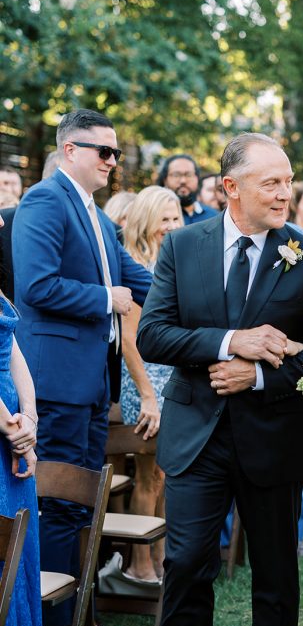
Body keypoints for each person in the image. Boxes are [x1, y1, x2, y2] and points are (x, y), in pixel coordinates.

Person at [136, 132, 303, 626]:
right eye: (270, 183)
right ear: (231, 189)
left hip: (273, 441)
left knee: (276, 580)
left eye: (288, 181)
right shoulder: (183, 244)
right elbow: (153, 333)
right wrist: (232, 342)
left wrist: (258, 376)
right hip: (198, 438)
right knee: (188, 568)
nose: (285, 193)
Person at [12, 108, 152, 626]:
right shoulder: (46, 201)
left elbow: (138, 277)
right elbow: (37, 285)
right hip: (56, 383)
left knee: (86, 504)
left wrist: (196, 289)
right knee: (60, 507)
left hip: (93, 384)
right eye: (104, 152)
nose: (113, 163)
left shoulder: (95, 215)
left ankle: (82, 623)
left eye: (116, 153)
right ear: (71, 150)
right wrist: (105, 300)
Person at [119, 186, 183, 583]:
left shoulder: (172, 262)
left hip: (173, 378)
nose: (173, 226)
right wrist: (148, 397)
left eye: (176, 218)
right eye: (165, 219)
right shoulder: (133, 265)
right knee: (149, 476)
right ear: (146, 221)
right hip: (143, 382)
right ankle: (139, 564)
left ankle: (161, 559)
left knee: (167, 475)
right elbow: (129, 339)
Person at [0, 212, 44, 626]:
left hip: (11, 437)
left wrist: (29, 415)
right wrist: (12, 427)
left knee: (9, 567)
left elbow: (14, 354)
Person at [156, 153, 218, 225]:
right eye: (176, 175)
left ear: (197, 179)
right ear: (165, 180)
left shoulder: (214, 217)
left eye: (189, 175)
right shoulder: (156, 215)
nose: (183, 181)